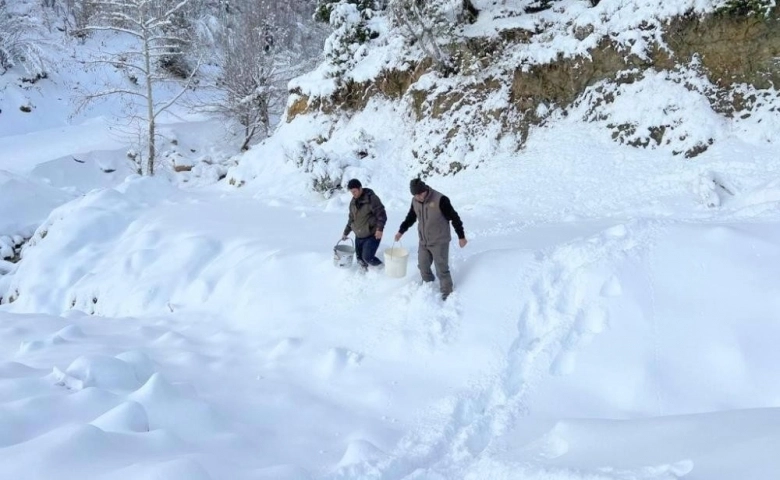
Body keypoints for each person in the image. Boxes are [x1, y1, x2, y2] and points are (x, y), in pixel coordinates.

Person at [394, 178, 467, 300]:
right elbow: (411, 217)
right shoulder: (415, 201)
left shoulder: (440, 199)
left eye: (420, 194)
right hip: (424, 241)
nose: (419, 197)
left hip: (440, 241)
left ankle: (447, 293)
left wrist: (461, 236)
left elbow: (455, 218)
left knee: (441, 269)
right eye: (415, 195)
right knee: (423, 266)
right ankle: (428, 286)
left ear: (425, 189)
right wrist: (401, 231)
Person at [342, 179, 387, 270]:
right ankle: (364, 275)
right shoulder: (353, 202)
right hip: (359, 235)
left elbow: (382, 215)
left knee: (367, 258)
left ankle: (382, 270)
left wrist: (380, 229)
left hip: (372, 234)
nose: (353, 194)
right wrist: (346, 232)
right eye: (351, 192)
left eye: (354, 191)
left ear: (360, 188)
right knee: (360, 259)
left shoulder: (371, 199)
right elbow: (351, 218)